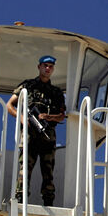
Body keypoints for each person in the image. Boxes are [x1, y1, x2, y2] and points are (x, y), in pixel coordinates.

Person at [8, 55, 66, 205]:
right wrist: (23, 119)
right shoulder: (27, 86)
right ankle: (20, 197)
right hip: (29, 134)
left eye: (50, 66)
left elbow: (61, 116)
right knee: (25, 165)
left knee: (48, 169)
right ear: (39, 67)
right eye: (45, 66)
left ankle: (48, 199)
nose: (48, 69)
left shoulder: (56, 92)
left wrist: (49, 117)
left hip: (47, 135)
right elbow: (10, 105)